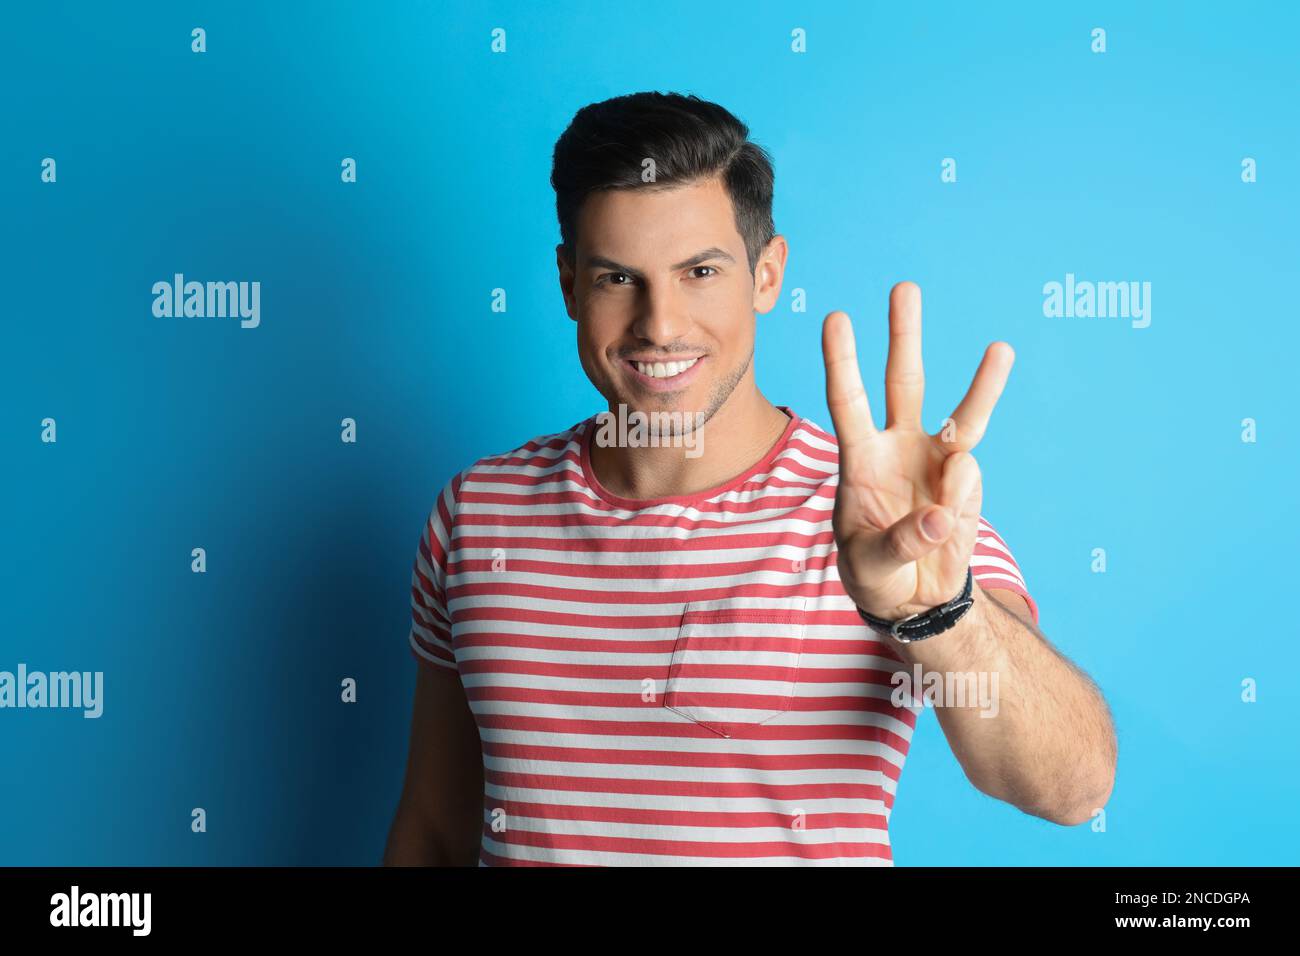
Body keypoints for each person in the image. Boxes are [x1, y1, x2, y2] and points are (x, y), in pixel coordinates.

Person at [383, 91, 1116, 866]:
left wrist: (939, 613)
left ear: (767, 276)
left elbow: (1074, 788)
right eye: (616, 279)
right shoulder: (476, 516)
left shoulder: (883, 516)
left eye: (700, 270)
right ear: (568, 284)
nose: (660, 325)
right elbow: (432, 829)